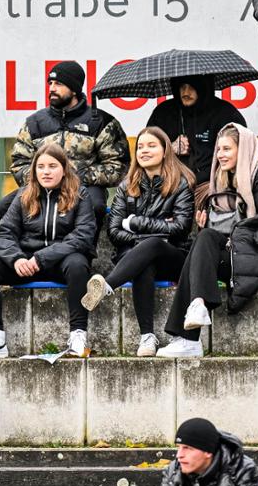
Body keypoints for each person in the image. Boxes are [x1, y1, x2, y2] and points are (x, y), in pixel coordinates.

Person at [158, 126, 258, 358]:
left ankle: (188, 338)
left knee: (200, 248)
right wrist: (205, 226)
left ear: (243, 149)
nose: (220, 155)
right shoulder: (223, 179)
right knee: (203, 238)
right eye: (218, 150)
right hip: (237, 253)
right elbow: (228, 230)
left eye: (226, 149)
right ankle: (195, 311)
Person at [0, 142, 98, 360]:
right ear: (34, 170)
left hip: (61, 263)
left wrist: (42, 258)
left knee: (78, 265)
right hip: (27, 264)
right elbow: (4, 234)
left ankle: (78, 335)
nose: (46, 172)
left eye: (52, 166)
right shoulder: (24, 195)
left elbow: (83, 236)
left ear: (64, 169)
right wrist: (16, 259)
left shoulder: (80, 195)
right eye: (41, 167)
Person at [81, 126, 196, 357]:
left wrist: (134, 223)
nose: (144, 151)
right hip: (134, 258)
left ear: (165, 150)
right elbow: (114, 231)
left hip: (172, 255)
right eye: (140, 147)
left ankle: (108, 286)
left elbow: (180, 228)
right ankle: (147, 338)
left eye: (151, 146)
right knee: (145, 261)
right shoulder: (127, 186)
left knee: (153, 245)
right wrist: (154, 231)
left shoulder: (181, 184)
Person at [0, 60, 127, 220]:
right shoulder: (34, 122)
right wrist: (45, 178)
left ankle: (82, 238)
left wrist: (76, 176)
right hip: (42, 186)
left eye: (58, 84)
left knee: (95, 206)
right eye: (50, 83)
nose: (52, 88)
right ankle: (35, 237)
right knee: (2, 208)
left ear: (74, 89)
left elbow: (118, 167)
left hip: (84, 187)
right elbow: (19, 163)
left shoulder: (101, 122)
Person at [145, 76, 246, 189]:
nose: (186, 92)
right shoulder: (163, 112)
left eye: (192, 87)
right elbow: (145, 151)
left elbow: (242, 152)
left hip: (213, 184)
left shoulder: (225, 113)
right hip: (171, 185)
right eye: (182, 87)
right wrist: (170, 149)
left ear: (203, 87)